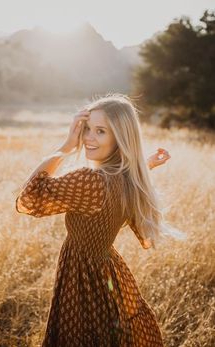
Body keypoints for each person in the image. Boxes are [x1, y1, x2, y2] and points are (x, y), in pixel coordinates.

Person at [15, 93, 173, 346]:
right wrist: (148, 164)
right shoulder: (127, 178)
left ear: (120, 139)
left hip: (82, 279)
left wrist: (66, 146)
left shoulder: (90, 180)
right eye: (87, 129)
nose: (88, 137)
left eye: (101, 131)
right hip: (106, 272)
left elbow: (29, 196)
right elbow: (125, 175)